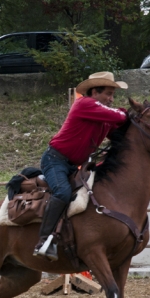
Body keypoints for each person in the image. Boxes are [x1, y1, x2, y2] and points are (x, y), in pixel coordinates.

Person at [34, 71, 129, 260]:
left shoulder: (102, 117)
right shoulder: (85, 104)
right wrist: (126, 114)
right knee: (62, 192)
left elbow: (118, 132)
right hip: (55, 160)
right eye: (108, 94)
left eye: (113, 95)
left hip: (72, 164)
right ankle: (43, 241)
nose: (111, 99)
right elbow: (121, 118)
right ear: (94, 92)